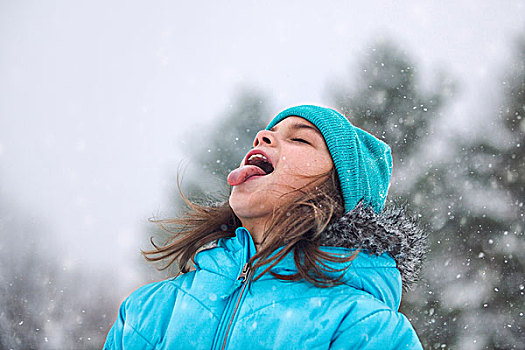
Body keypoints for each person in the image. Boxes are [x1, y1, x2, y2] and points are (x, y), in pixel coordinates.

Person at [103, 105, 426, 349]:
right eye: (266, 134)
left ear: (341, 191)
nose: (262, 136)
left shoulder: (366, 326)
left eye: (300, 139)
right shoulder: (150, 308)